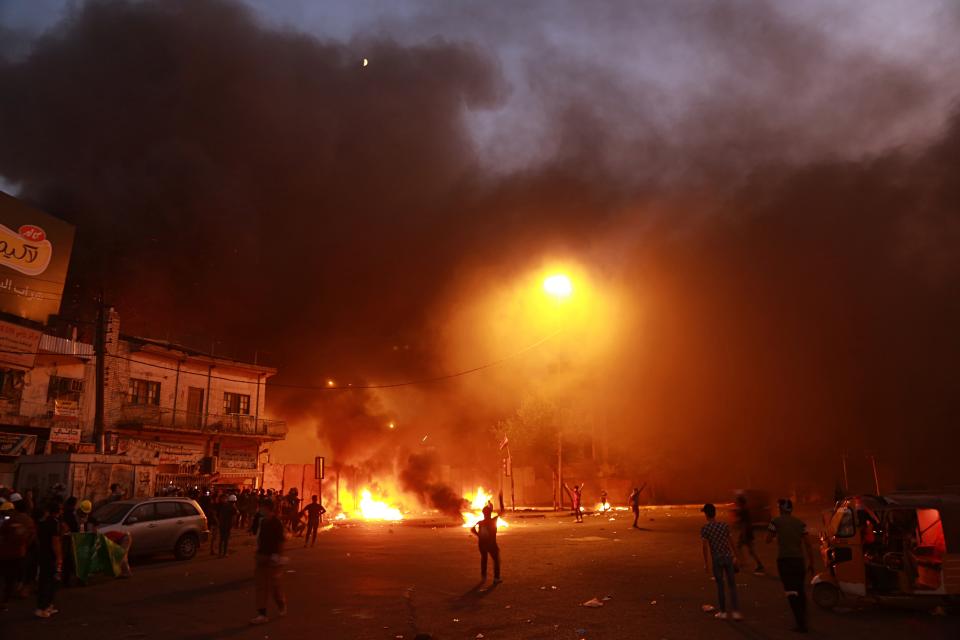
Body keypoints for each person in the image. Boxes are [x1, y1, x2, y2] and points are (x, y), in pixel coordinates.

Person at [766, 498, 816, 633]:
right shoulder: (800, 523)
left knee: (790, 591)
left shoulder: (775, 522)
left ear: (781, 509)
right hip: (799, 561)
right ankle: (803, 619)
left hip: (784, 561)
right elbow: (808, 545)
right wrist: (811, 563)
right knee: (800, 590)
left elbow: (767, 539)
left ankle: (801, 623)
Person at [700, 503, 742, 621]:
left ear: (706, 515)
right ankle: (736, 612)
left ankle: (723, 612)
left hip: (717, 559)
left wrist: (706, 563)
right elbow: (731, 542)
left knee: (720, 586)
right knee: (732, 585)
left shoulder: (705, 529)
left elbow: (705, 547)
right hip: (728, 557)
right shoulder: (724, 526)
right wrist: (737, 557)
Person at [250, 499, 287, 625]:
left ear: (268, 508)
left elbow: (281, 541)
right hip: (261, 557)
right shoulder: (262, 521)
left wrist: (278, 556)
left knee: (274, 587)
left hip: (273, 559)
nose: (260, 510)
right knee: (261, 587)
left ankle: (281, 604)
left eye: (262, 507)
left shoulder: (277, 523)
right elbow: (258, 537)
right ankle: (262, 614)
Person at [35, 500, 63, 618]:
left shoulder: (43, 522)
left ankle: (48, 605)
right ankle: (43, 607)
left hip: (43, 555)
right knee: (49, 581)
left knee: (48, 581)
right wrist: (59, 557)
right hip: (50, 557)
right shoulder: (53, 523)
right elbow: (55, 541)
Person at [470, 503, 501, 584]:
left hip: (482, 544)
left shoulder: (480, 522)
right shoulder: (493, 520)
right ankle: (496, 578)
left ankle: (483, 577)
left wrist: (478, 535)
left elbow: (472, 530)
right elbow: (502, 511)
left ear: (483, 513)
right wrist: (500, 500)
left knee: (484, 559)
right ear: (490, 513)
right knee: (496, 560)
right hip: (491, 544)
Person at [734, 494, 764, 575]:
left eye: (737, 502)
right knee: (748, 549)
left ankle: (744, 563)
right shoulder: (745, 509)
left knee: (741, 548)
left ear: (740, 502)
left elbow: (744, 524)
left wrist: (743, 535)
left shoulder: (743, 511)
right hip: (748, 531)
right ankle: (756, 563)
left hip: (745, 532)